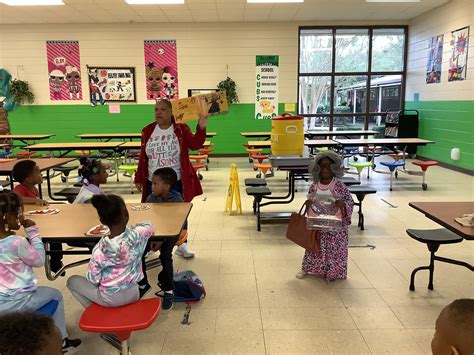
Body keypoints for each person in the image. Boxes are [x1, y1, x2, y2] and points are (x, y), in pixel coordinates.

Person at [0, 191, 81, 353]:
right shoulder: (17, 242)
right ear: (7, 217)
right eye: (18, 213)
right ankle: (63, 342)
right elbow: (38, 261)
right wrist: (34, 234)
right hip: (21, 300)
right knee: (56, 294)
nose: (20, 217)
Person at [134, 99, 208, 258]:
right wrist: (139, 177)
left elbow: (195, 144)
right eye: (156, 110)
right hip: (152, 181)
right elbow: (143, 156)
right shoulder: (148, 130)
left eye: (163, 109)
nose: (158, 113)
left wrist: (201, 125)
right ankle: (149, 245)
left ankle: (182, 244)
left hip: (175, 180)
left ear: (171, 112)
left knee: (179, 213)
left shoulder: (180, 128)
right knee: (151, 213)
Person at [67, 194, 153, 308]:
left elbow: (93, 279)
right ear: (126, 214)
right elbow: (149, 225)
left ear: (102, 220)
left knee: (72, 281)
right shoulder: (138, 235)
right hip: (134, 294)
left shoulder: (99, 250)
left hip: (110, 299)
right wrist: (132, 228)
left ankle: (96, 312)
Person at [296, 150, 354, 282]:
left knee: (333, 250)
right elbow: (312, 202)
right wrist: (309, 204)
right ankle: (307, 267)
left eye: (329, 166)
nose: (325, 169)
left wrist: (343, 204)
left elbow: (349, 202)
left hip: (335, 227)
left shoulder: (339, 186)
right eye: (322, 166)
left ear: (335, 168)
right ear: (317, 168)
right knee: (313, 247)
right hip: (318, 225)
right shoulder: (315, 185)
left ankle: (332, 271)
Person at [144, 167, 187, 311]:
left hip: (171, 233)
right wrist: (152, 238)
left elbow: (177, 224)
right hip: (155, 233)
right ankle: (142, 283)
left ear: (167, 186)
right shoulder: (151, 198)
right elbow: (146, 219)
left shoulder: (177, 199)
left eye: (156, 184)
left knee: (165, 257)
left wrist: (161, 240)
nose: (152, 186)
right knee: (138, 252)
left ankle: (169, 290)